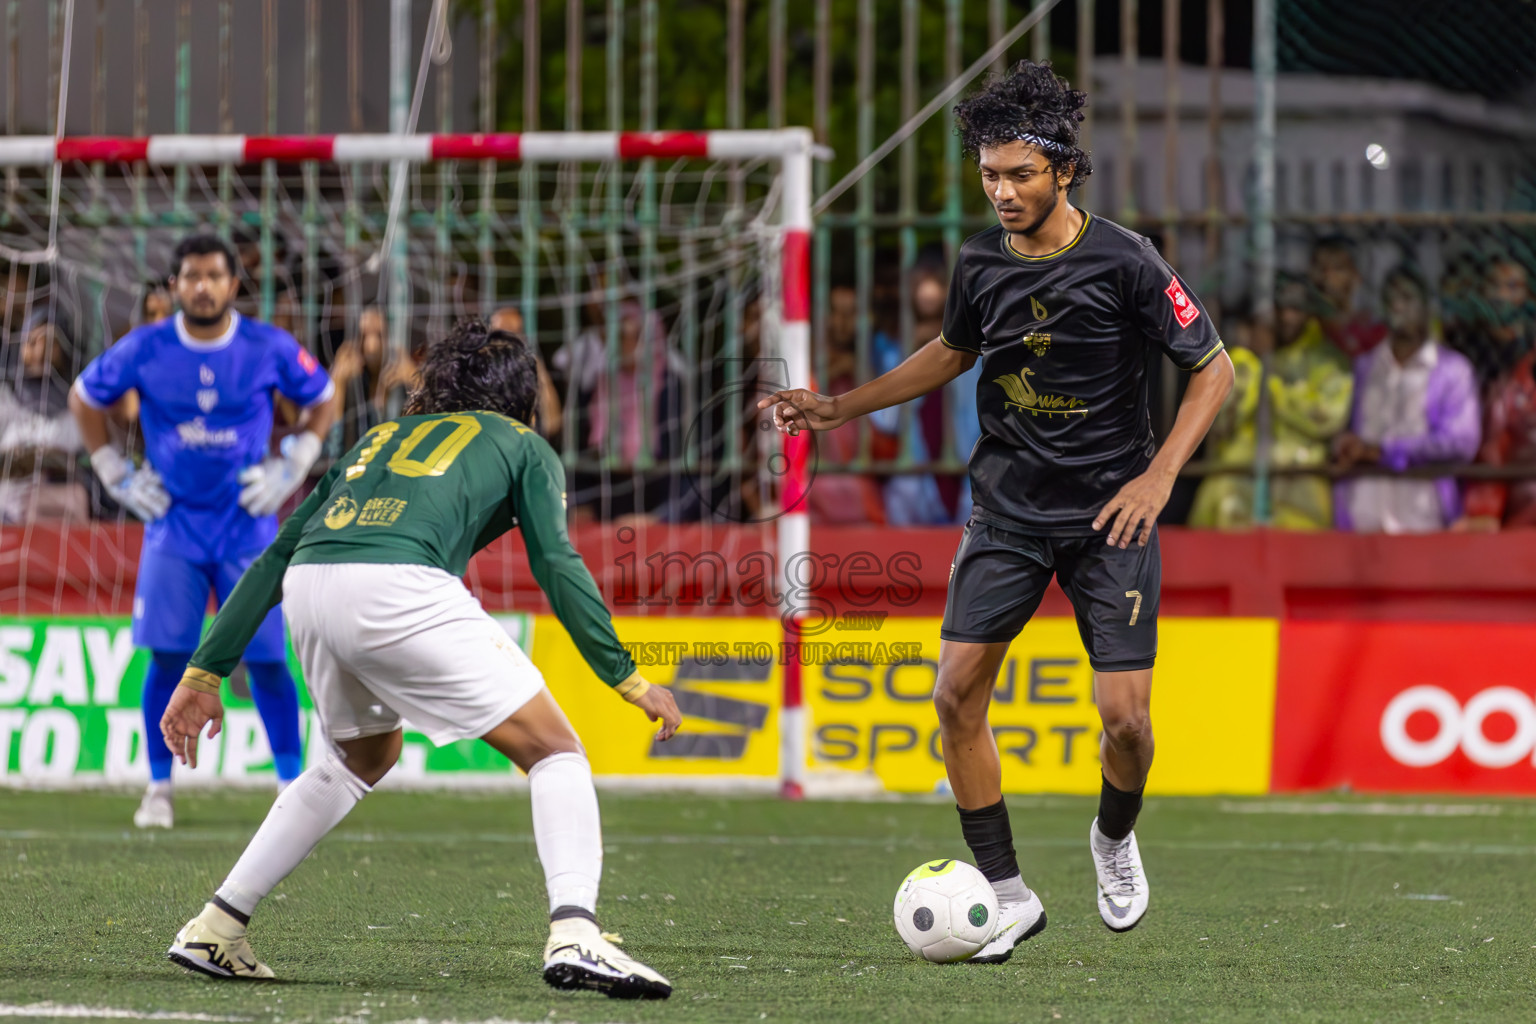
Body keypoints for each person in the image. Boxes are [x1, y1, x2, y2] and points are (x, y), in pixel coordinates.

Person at [760, 60, 1233, 955]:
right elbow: (949, 354)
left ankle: (1114, 838)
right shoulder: (979, 261)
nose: (1004, 190)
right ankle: (1009, 892)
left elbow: (1216, 370)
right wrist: (837, 406)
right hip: (1008, 511)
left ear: (1063, 169)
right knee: (954, 697)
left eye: (1020, 173)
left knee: (1127, 723)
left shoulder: (1128, 259)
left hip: (1112, 520)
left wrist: (1159, 475)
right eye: (989, 175)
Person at [157, 319, 681, 998]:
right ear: (521, 397)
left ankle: (217, 926)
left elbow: (278, 554)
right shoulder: (523, 443)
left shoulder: (374, 439)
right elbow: (556, 562)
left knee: (359, 758)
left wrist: (205, 670)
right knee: (555, 751)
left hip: (311, 588)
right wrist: (627, 677)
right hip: (397, 586)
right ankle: (576, 930)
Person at [69, 232, 337, 828]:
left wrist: (296, 459)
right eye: (191, 276)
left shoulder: (268, 346)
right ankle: (159, 788)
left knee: (269, 660)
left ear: (233, 284)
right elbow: (84, 397)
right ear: (175, 286)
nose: (203, 286)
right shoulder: (146, 347)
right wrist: (112, 469)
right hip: (174, 526)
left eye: (215, 276)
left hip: (249, 528)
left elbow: (324, 395)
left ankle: (290, 786)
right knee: (167, 658)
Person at [1188, 274, 1352, 529]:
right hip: (1235, 488)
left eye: (1296, 309)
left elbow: (1327, 417)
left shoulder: (1328, 361)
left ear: (1310, 312)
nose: (1287, 317)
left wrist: (1271, 381)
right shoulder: (1240, 360)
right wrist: (1250, 360)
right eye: (1280, 307)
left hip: (1299, 486)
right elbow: (1219, 420)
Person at [1334, 265, 1480, 533]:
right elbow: (1341, 428)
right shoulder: (1364, 367)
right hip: (1363, 515)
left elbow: (1461, 443)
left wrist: (1384, 451)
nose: (1398, 307)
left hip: (1422, 516)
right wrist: (1346, 446)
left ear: (1427, 308)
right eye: (1391, 299)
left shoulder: (1452, 370)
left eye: (1408, 298)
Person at [871, 259, 952, 525]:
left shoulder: (977, 347)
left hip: (965, 473)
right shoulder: (889, 347)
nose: (928, 293)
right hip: (911, 474)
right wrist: (912, 355)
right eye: (920, 284)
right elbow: (886, 420)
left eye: (937, 283)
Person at [0, 310, 87, 522]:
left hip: (60, 514)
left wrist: (49, 459)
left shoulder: (80, 403)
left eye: (48, 342)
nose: (38, 352)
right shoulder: (5, 398)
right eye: (30, 342)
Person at [489, 305, 563, 440]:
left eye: (515, 332)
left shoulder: (529, 375)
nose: (509, 341)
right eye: (502, 333)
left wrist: (540, 371)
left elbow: (552, 425)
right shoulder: (480, 377)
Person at [1309, 235, 1386, 359]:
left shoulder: (1374, 333)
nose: (1327, 277)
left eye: (1338, 268)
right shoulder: (1297, 326)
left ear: (1356, 276)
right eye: (1320, 268)